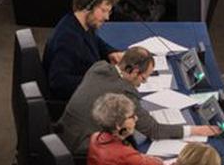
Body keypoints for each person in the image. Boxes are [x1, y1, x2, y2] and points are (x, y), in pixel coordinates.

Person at [59, 46, 215, 153]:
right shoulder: (125, 94)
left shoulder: (99, 67)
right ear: (133, 71)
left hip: (64, 134)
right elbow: (154, 130)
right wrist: (196, 130)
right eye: (144, 78)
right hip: (82, 147)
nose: (143, 83)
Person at [43, 0, 123, 102]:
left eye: (109, 11)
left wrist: (110, 52)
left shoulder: (79, 23)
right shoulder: (68, 39)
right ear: (88, 7)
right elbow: (58, 82)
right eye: (103, 10)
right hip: (73, 103)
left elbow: (95, 41)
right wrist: (100, 81)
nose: (107, 17)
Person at [86, 93, 166, 165]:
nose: (136, 118)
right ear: (118, 125)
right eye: (131, 117)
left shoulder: (95, 137)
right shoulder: (124, 154)